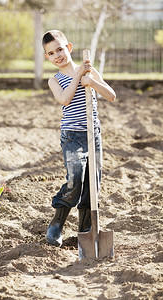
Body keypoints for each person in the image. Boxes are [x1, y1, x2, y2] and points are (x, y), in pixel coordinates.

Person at [42, 30, 116, 247]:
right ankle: (57, 222)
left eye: (60, 49)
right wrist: (78, 78)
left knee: (93, 183)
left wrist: (92, 82)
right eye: (51, 53)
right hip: (72, 136)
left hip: (93, 136)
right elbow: (65, 100)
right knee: (75, 178)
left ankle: (85, 227)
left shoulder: (90, 72)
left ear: (69, 48)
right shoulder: (54, 79)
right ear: (47, 57)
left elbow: (111, 95)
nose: (57, 55)